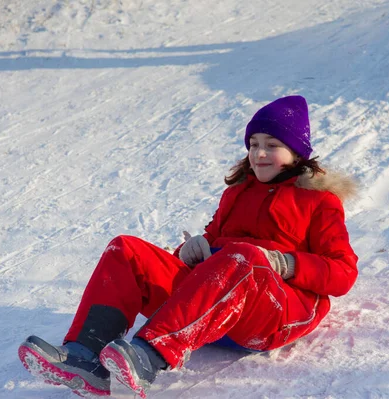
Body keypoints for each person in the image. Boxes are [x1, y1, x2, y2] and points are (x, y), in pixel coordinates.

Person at [18, 95, 359, 398]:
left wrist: (284, 263)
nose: (259, 154)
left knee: (244, 256)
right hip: (213, 310)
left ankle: (148, 356)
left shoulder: (319, 201)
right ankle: (83, 356)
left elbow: (343, 273)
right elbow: (214, 243)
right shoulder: (237, 193)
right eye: (253, 144)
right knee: (125, 249)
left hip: (273, 314)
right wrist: (192, 250)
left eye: (272, 145)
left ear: (296, 152)